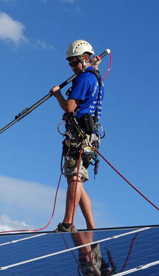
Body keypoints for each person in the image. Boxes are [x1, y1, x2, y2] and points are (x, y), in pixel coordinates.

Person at [51, 39, 104, 232]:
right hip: (90, 137)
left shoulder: (83, 79)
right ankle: (91, 227)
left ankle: (67, 223)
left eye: (75, 63)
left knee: (74, 177)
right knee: (78, 180)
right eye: (70, 64)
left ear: (85, 58)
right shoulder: (96, 77)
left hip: (79, 137)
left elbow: (70, 107)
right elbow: (93, 71)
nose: (72, 67)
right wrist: (93, 65)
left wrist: (57, 94)